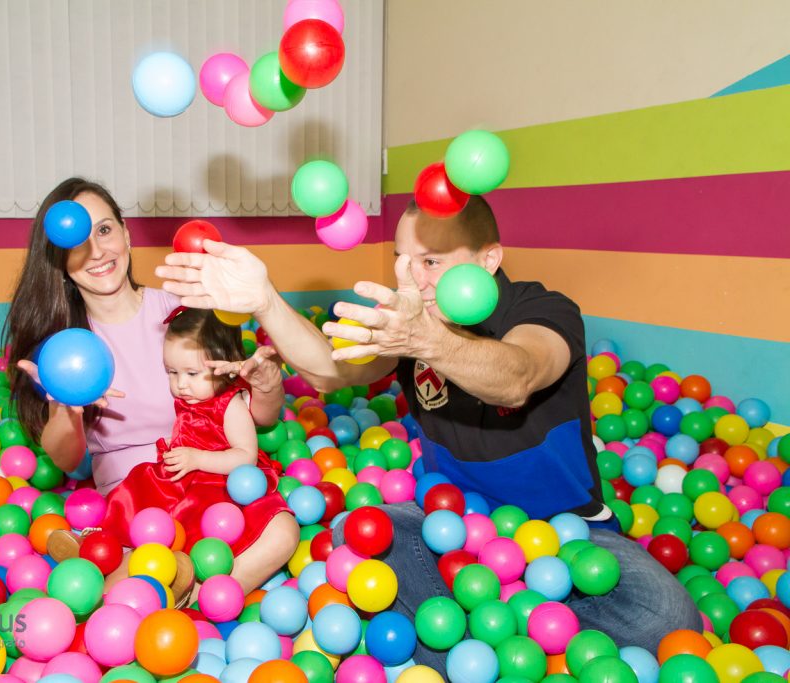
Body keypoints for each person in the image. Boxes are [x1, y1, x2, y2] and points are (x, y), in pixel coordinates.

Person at [156, 195, 701, 671]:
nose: (411, 280)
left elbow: (518, 377)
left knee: (669, 618)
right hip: (453, 531)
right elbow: (329, 369)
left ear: (488, 261)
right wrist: (267, 301)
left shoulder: (542, 309)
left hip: (571, 534)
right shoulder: (408, 320)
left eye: (432, 262)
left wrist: (427, 342)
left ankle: (496, 634)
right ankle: (471, 655)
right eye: (402, 261)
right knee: (358, 530)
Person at [4, 177, 299, 593]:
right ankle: (129, 576)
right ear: (59, 258)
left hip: (208, 478)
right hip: (135, 501)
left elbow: (255, 418)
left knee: (282, 533)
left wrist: (267, 386)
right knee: (141, 562)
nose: (97, 250)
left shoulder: (183, 314)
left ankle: (186, 597)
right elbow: (68, 459)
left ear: (125, 234)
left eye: (104, 230)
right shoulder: (65, 351)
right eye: (77, 241)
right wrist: (66, 406)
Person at [98, 307, 293, 593]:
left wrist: (197, 458)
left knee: (198, 531)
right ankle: (104, 559)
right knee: (143, 522)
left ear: (224, 366)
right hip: (180, 480)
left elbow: (245, 456)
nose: (180, 384)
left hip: (220, 484)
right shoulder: (193, 397)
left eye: (192, 373)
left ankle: (193, 592)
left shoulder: (230, 405)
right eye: (172, 372)